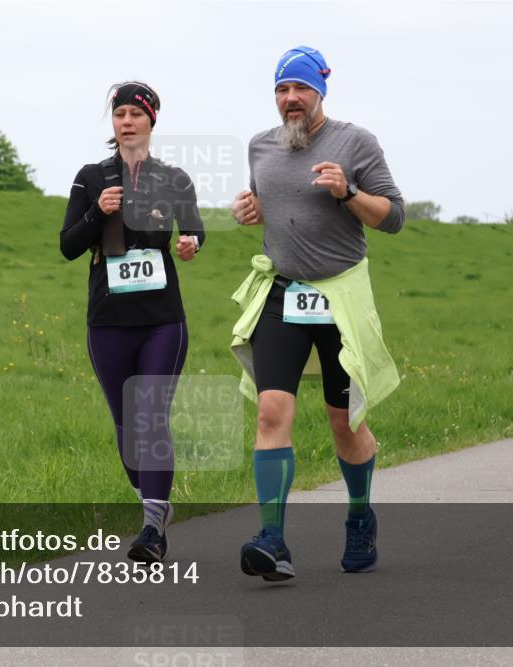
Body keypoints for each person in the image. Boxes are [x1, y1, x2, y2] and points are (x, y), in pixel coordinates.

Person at [230, 46, 404, 580]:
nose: (290, 100)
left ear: (320, 92)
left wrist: (348, 192)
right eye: (282, 90)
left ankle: (358, 517)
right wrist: (248, 212)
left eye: (300, 89)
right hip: (283, 295)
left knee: (343, 422)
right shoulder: (261, 146)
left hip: (338, 300)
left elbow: (393, 216)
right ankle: (273, 539)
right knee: (270, 413)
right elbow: (269, 206)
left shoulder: (356, 142)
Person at [60, 81, 205, 563]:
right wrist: (98, 216)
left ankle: (151, 529)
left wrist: (191, 245)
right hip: (108, 319)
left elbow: (195, 230)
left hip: (162, 318)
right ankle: (154, 506)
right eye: (119, 113)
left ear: (151, 120)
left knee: (150, 415)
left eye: (135, 114)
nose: (126, 121)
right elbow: (67, 246)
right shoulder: (91, 177)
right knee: (127, 427)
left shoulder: (174, 178)